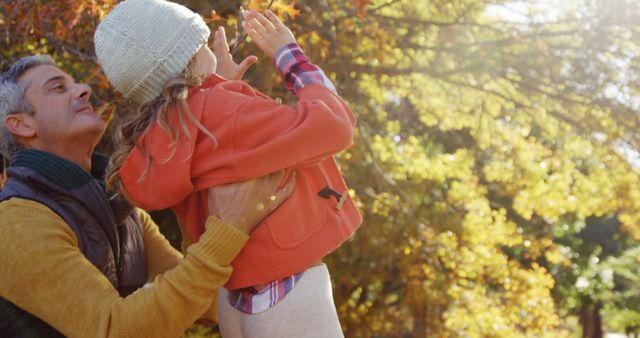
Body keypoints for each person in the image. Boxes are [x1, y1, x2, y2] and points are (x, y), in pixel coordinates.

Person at [93, 0, 362, 336]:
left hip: (233, 299)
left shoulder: (164, 135)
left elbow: (210, 128)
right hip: (287, 288)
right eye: (202, 44)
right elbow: (332, 127)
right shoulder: (223, 113)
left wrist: (216, 84)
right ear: (191, 57)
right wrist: (289, 55)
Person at [0, 54, 294, 337]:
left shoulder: (121, 209)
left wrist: (216, 105)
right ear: (22, 125)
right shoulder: (17, 222)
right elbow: (116, 329)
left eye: (75, 83)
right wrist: (227, 227)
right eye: (58, 88)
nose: (84, 90)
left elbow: (205, 299)